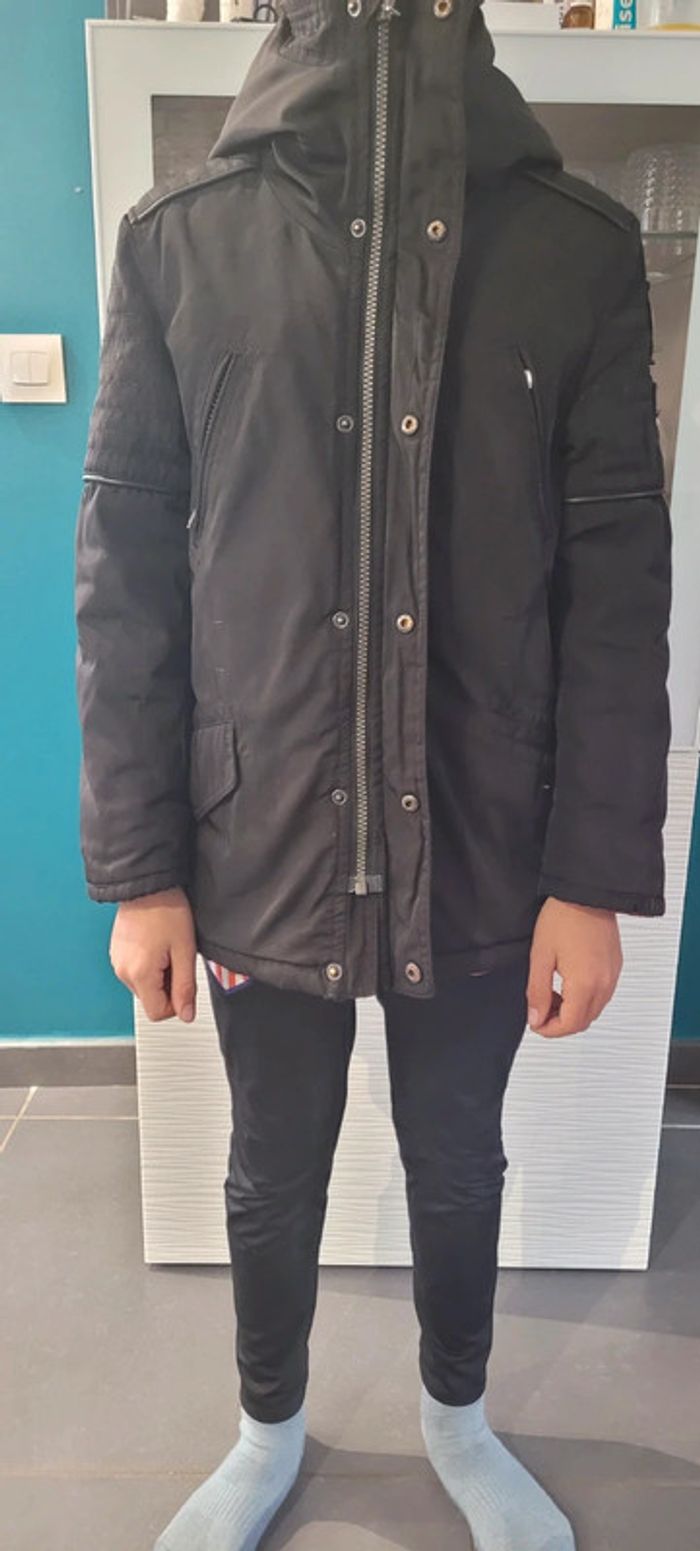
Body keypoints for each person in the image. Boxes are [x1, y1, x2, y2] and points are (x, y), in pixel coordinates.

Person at [74, 0, 672, 1547]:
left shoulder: (576, 250)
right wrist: (143, 870)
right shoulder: (180, 244)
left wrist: (593, 877)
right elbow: (127, 582)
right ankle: (265, 1429)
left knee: (459, 1156)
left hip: (486, 828)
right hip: (255, 825)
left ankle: (457, 1416)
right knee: (270, 1163)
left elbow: (618, 591)